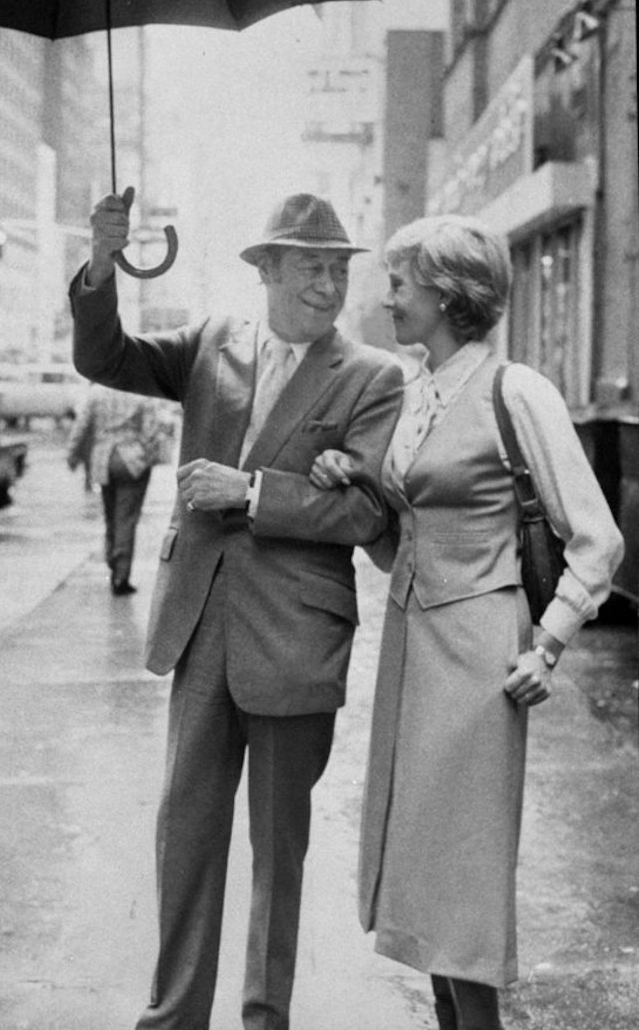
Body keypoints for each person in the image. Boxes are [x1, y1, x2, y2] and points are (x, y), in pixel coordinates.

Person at [69, 187, 403, 1030]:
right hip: (201, 626)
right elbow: (106, 358)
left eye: (337, 269)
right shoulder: (214, 343)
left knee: (277, 854)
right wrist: (102, 263)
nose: (327, 286)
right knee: (186, 839)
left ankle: (265, 1019)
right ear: (267, 270)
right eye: (309, 268)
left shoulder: (370, 377)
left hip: (297, 637)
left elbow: (366, 515)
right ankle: (173, 1016)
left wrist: (253, 491)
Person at [309, 214, 624, 1030]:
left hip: (482, 655)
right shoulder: (416, 392)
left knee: (463, 889)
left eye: (401, 284)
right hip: (414, 646)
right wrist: (357, 483)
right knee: (421, 880)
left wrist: (548, 644)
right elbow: (396, 540)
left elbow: (598, 539)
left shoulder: (516, 391)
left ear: (449, 295)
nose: (386, 301)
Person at [66, 380, 162, 595]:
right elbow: (151, 432)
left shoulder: (95, 392)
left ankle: (112, 562)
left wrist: (72, 454)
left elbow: (81, 425)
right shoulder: (141, 391)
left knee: (110, 516)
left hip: (103, 461)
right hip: (132, 461)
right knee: (126, 518)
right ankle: (121, 576)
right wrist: (150, 457)